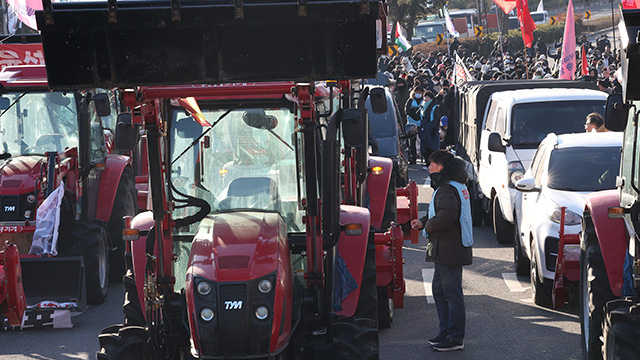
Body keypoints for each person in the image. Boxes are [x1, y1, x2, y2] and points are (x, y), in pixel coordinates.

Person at [410, 151, 473, 352]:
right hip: (447, 248)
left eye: (432, 164)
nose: (428, 168)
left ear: (442, 167)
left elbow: (446, 216)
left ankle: (454, 337)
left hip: (450, 249)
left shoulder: (447, 188)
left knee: (451, 293)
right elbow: (439, 213)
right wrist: (422, 222)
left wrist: (427, 226)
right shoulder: (453, 185)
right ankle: (445, 332)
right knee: (440, 290)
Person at [419, 90, 442, 168]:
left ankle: (432, 163)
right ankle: (427, 163)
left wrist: (434, 128)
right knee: (425, 146)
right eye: (424, 97)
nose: (425, 99)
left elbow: (437, 118)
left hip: (431, 129)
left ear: (431, 98)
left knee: (432, 147)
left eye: (427, 97)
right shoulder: (423, 105)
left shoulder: (435, 107)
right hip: (424, 128)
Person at [405, 86, 425, 164]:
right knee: (411, 142)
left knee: (422, 141)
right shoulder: (410, 100)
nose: (418, 94)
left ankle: (424, 156)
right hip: (411, 124)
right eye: (417, 92)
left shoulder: (424, 101)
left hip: (421, 123)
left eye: (420, 92)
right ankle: (412, 158)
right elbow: (406, 110)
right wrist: (413, 114)